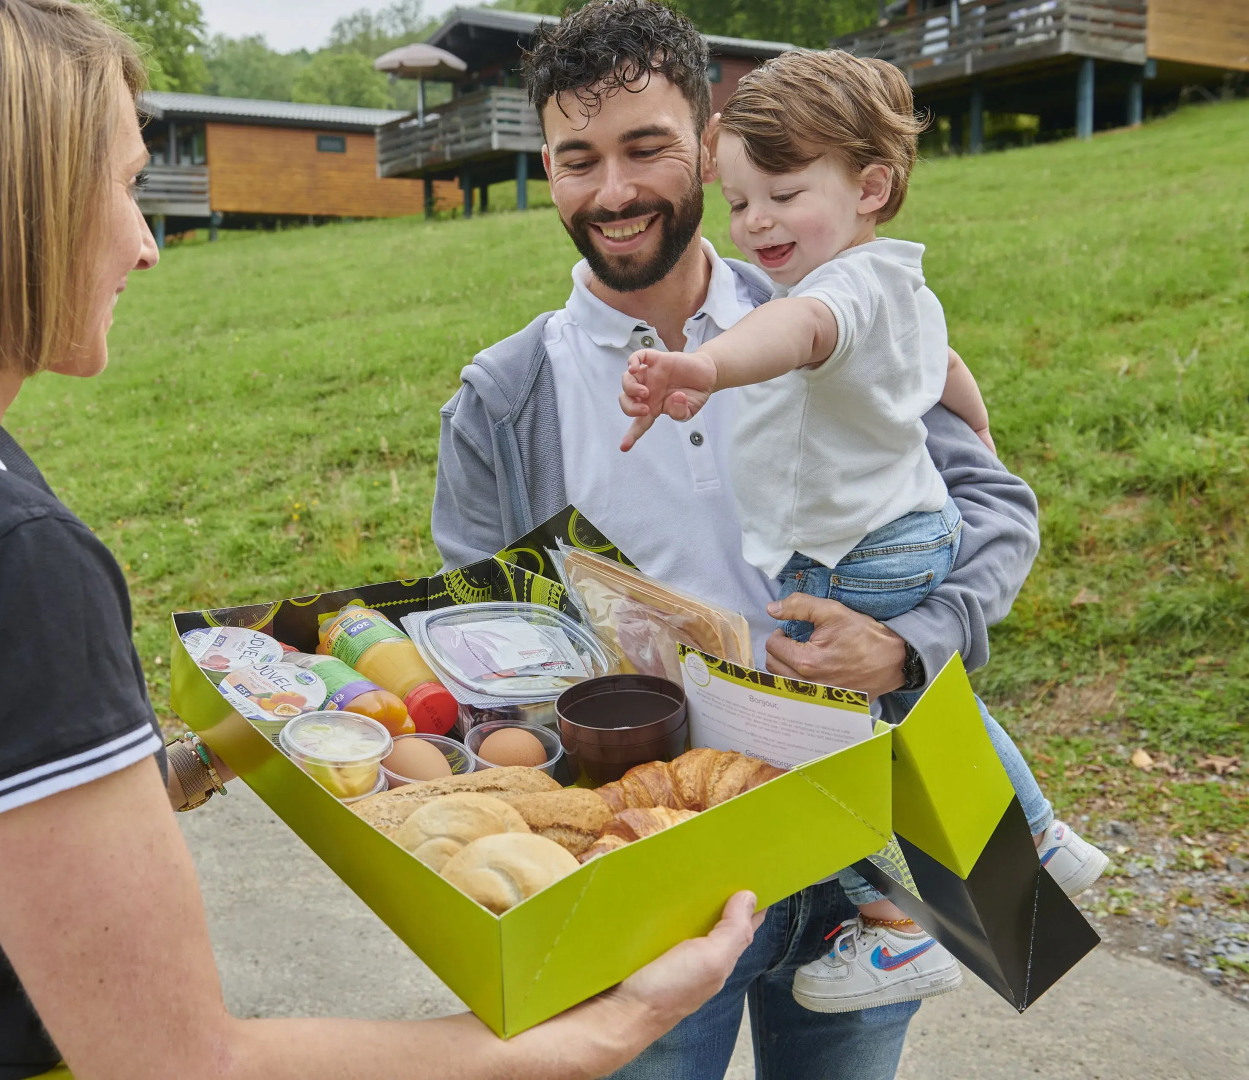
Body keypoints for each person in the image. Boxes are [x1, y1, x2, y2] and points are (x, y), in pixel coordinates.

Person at [0, 2, 758, 1078]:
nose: (146, 244)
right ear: (6, 203)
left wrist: (196, 763)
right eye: (129, 185)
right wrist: (592, 1039)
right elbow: (178, 1061)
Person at [428, 2, 1027, 1076]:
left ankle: (1030, 862)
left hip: (876, 818)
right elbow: (488, 639)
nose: (612, 191)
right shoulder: (503, 398)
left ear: (705, 146)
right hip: (661, 856)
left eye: (646, 148)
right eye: (578, 159)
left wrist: (913, 642)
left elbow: (996, 509)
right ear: (551, 170)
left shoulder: (833, 298)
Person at [615, 48, 1108, 1014]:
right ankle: (1036, 837)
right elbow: (947, 364)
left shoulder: (833, 294)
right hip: (904, 532)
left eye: (783, 194)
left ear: (871, 185)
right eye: (740, 200)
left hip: (857, 558)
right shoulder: (897, 283)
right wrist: (974, 423)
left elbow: (795, 333)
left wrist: (705, 368)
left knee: (838, 726)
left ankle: (896, 932)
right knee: (911, 713)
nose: (755, 222)